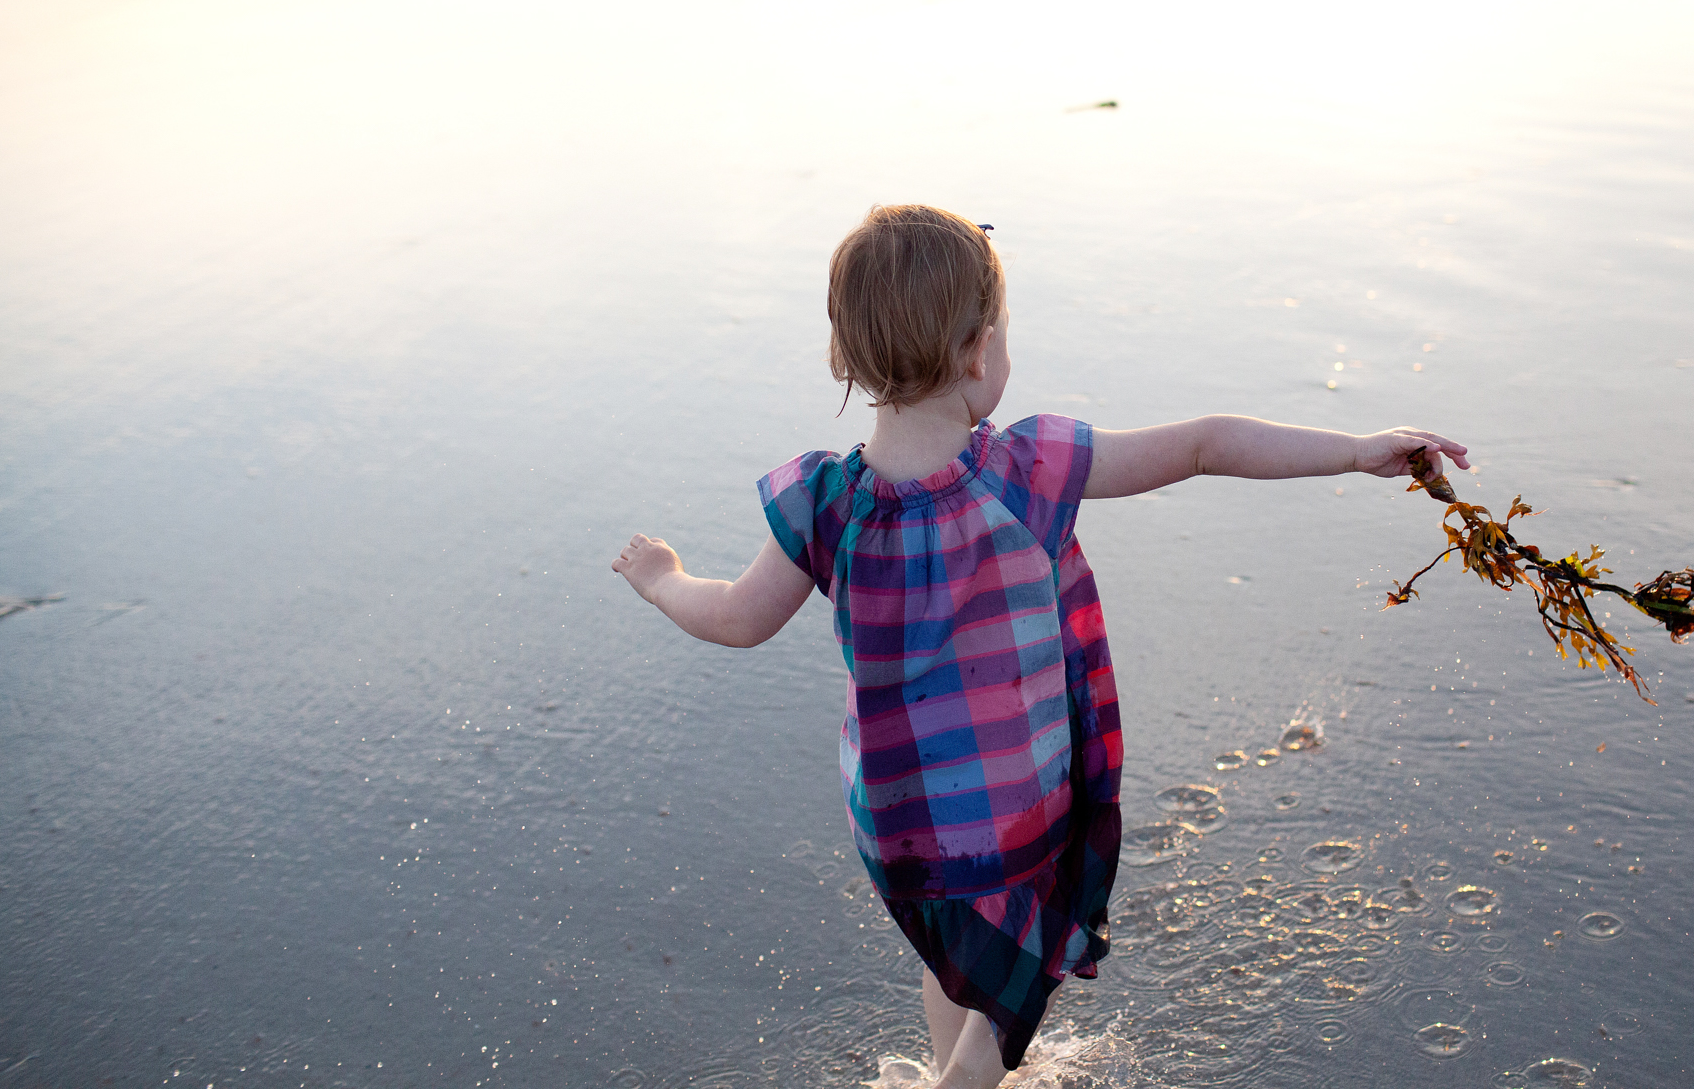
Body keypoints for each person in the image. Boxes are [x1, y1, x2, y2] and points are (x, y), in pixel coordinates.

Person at [611, 205, 1470, 1087]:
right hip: (1019, 822)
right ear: (980, 352)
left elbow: (737, 618)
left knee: (958, 959)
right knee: (1028, 970)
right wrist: (1358, 449)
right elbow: (1207, 445)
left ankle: (953, 1067)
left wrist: (663, 577)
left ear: (847, 357)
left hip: (900, 831)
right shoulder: (1029, 470)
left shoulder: (829, 505)